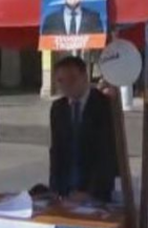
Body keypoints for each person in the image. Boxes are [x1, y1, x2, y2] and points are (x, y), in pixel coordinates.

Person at [49, 56, 117, 203]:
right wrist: (54, 189)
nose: (66, 85)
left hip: (97, 192)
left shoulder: (105, 106)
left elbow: (107, 153)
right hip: (65, 192)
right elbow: (56, 151)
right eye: (61, 81)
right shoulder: (58, 108)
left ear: (85, 77)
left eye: (72, 79)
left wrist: (90, 193)